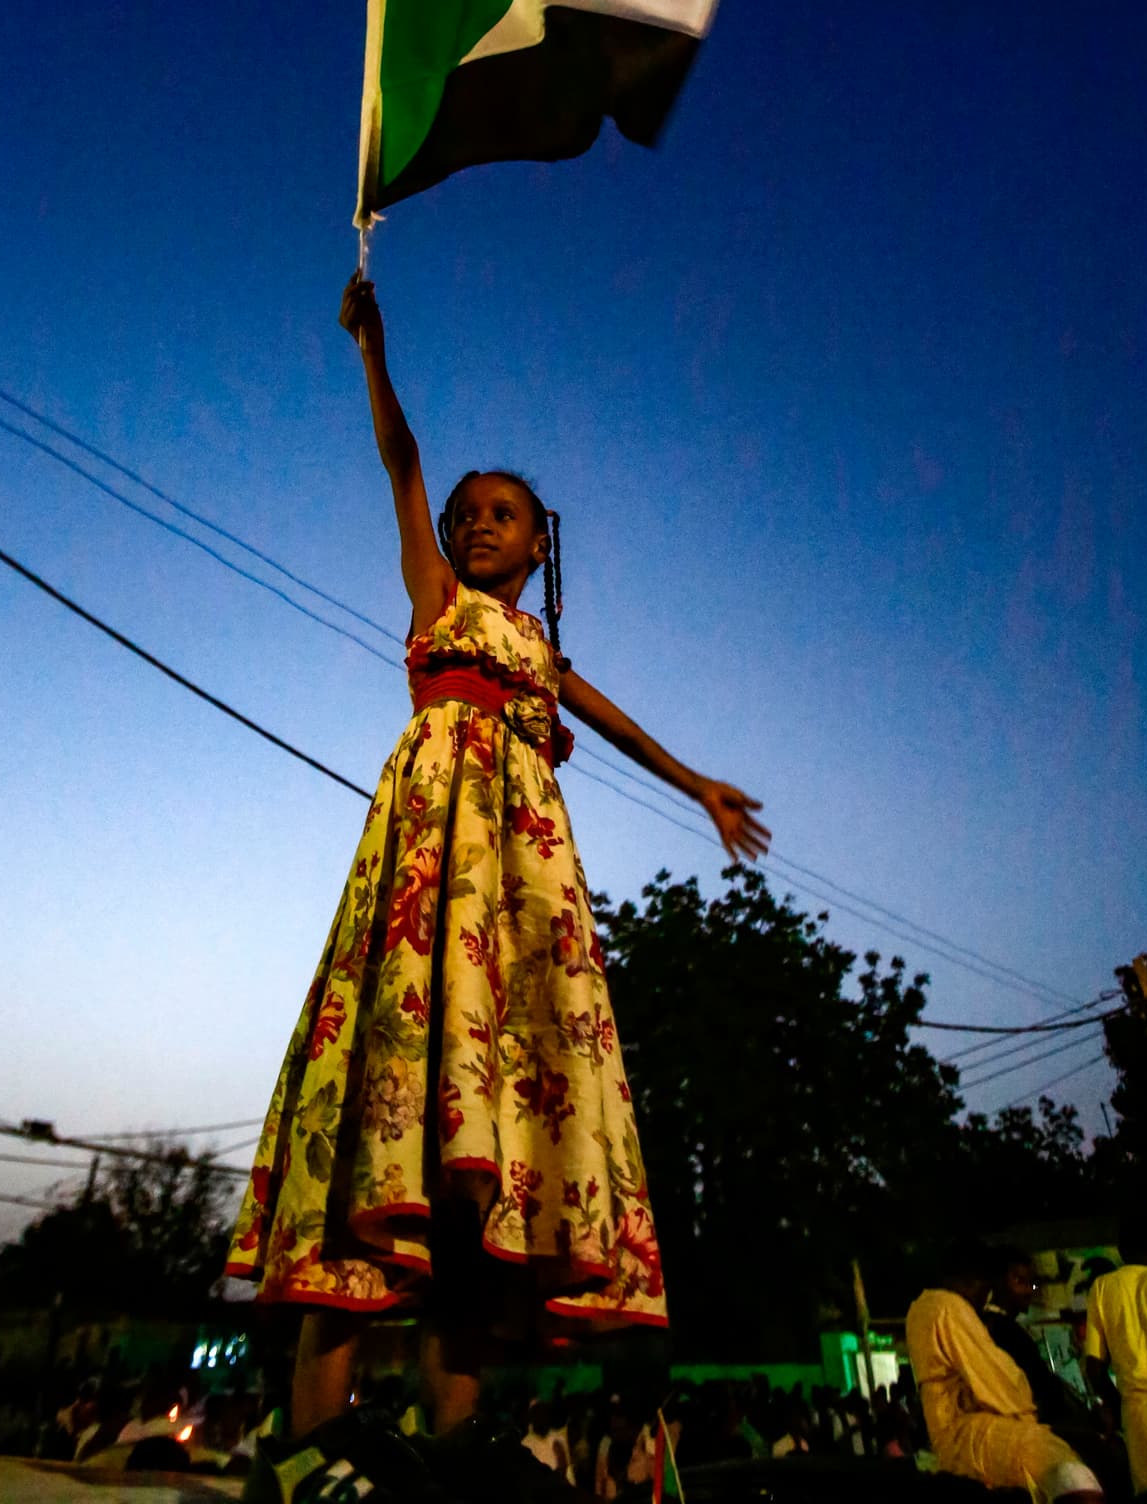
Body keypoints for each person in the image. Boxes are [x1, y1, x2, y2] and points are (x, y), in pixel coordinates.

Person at [226, 275, 771, 1502]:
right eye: (469, 512)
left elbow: (610, 720)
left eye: (503, 513)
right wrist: (375, 348)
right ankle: (314, 1459)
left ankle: (443, 1469)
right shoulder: (439, 604)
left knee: (483, 1174)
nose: (477, 523)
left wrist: (697, 786)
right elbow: (402, 461)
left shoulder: (538, 651)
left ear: (541, 542)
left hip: (524, 885)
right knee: (393, 1128)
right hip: (436, 855)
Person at [906, 1243, 1104, 1500]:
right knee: (1071, 1474)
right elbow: (997, 1380)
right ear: (977, 1282)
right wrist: (1030, 1412)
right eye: (1019, 1281)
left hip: (954, 1431)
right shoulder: (949, 1308)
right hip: (964, 1430)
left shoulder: (924, 1308)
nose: (984, 1297)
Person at [1083, 1208, 1147, 1497]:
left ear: (1121, 1251)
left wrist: (1120, 1402)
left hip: (1137, 1415)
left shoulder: (1102, 1287)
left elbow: (1095, 1369)